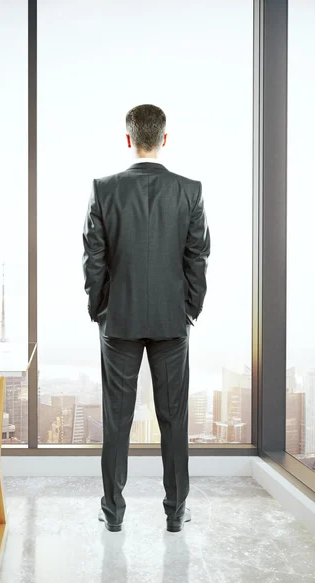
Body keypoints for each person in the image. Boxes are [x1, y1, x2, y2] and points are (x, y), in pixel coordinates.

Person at [82, 104, 210, 533]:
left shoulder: (103, 189)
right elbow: (198, 257)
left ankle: (113, 514)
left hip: (118, 320)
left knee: (116, 420)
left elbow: (93, 260)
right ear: (165, 139)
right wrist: (189, 308)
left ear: (129, 139)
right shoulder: (189, 190)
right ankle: (176, 514)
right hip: (172, 321)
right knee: (173, 419)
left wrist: (99, 309)